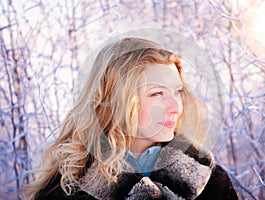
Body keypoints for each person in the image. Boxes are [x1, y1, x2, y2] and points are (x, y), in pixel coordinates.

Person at [23, 37, 238, 199]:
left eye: (177, 92)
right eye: (157, 94)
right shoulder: (67, 189)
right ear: (116, 100)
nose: (175, 108)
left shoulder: (209, 181)